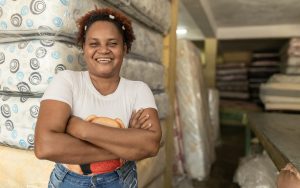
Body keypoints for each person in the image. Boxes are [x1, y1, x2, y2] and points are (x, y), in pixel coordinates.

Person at [34, 7, 162, 188]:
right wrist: (127, 143)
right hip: (69, 181)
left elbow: (150, 145)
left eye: (112, 43)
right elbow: (45, 146)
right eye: (94, 44)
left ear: (124, 48)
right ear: (84, 48)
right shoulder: (67, 81)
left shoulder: (138, 90)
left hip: (120, 180)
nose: (103, 50)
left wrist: (83, 130)